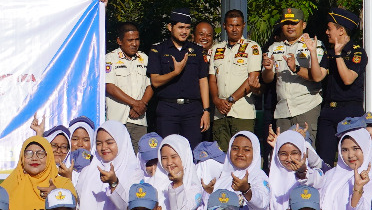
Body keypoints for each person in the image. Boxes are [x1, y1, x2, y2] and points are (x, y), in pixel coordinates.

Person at [73, 121, 143, 210]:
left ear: (121, 142)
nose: (104, 147)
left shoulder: (134, 173)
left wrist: (114, 183)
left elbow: (126, 207)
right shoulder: (87, 171)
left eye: (109, 142)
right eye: (99, 143)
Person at [311, 10, 367, 164]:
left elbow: (348, 79)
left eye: (330, 28)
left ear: (341, 30)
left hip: (350, 111)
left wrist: (338, 55)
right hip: (329, 111)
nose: (326, 32)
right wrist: (313, 53)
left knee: (352, 159)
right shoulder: (329, 52)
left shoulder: (357, 52)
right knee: (324, 160)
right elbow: (317, 76)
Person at [147, 10, 210, 145]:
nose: (184, 32)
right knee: (168, 149)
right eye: (180, 27)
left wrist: (206, 110)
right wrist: (175, 73)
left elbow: (203, 80)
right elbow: (155, 81)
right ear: (170, 27)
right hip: (167, 108)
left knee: (193, 150)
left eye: (187, 28)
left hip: (192, 110)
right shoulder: (158, 50)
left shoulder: (197, 51)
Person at [0, 135, 72, 210]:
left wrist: (56, 195)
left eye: (40, 154)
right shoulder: (9, 184)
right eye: (29, 153)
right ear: (22, 157)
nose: (34, 158)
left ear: (48, 157)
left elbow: (74, 206)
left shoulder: (63, 184)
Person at [263, 8, 324, 138]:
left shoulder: (314, 44)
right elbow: (267, 79)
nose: (290, 26)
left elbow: (317, 76)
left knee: (306, 151)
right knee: (284, 153)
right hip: (282, 110)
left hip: (306, 107)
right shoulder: (274, 48)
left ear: (303, 25)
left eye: (294, 23)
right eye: (286, 23)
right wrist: (268, 69)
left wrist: (296, 68)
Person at [207, 9, 262, 150]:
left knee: (242, 155)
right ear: (224, 26)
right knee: (220, 155)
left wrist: (231, 100)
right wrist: (216, 100)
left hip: (242, 112)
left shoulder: (252, 47)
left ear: (243, 25)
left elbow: (252, 78)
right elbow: (212, 79)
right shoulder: (216, 49)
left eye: (237, 25)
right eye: (231, 25)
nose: (234, 29)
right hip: (220, 113)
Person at [104, 24, 152, 147]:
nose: (134, 44)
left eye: (137, 39)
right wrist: (135, 104)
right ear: (119, 41)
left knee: (139, 158)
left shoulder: (144, 58)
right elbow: (109, 86)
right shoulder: (109, 59)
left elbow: (151, 85)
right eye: (130, 40)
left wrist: (142, 104)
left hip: (139, 119)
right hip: (117, 119)